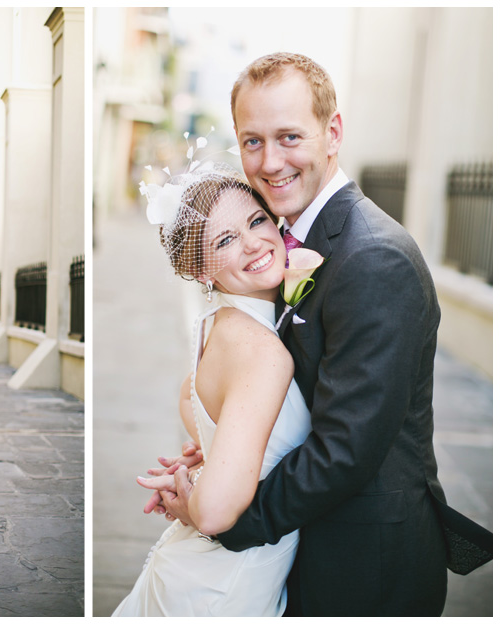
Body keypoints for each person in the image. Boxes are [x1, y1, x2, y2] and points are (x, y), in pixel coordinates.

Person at [144, 52, 491, 616]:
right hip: (309, 549)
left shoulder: (374, 258)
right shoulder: (284, 240)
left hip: (363, 563)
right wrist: (226, 451)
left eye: (288, 136)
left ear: (332, 133)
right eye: (252, 141)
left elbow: (345, 451)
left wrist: (217, 515)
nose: (270, 160)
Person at [112, 163, 312, 616]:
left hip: (200, 577)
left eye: (257, 220)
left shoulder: (213, 324)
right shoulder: (262, 352)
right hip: (224, 591)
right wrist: (192, 494)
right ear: (200, 269)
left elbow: (189, 396)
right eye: (225, 240)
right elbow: (215, 514)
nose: (254, 243)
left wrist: (223, 449)